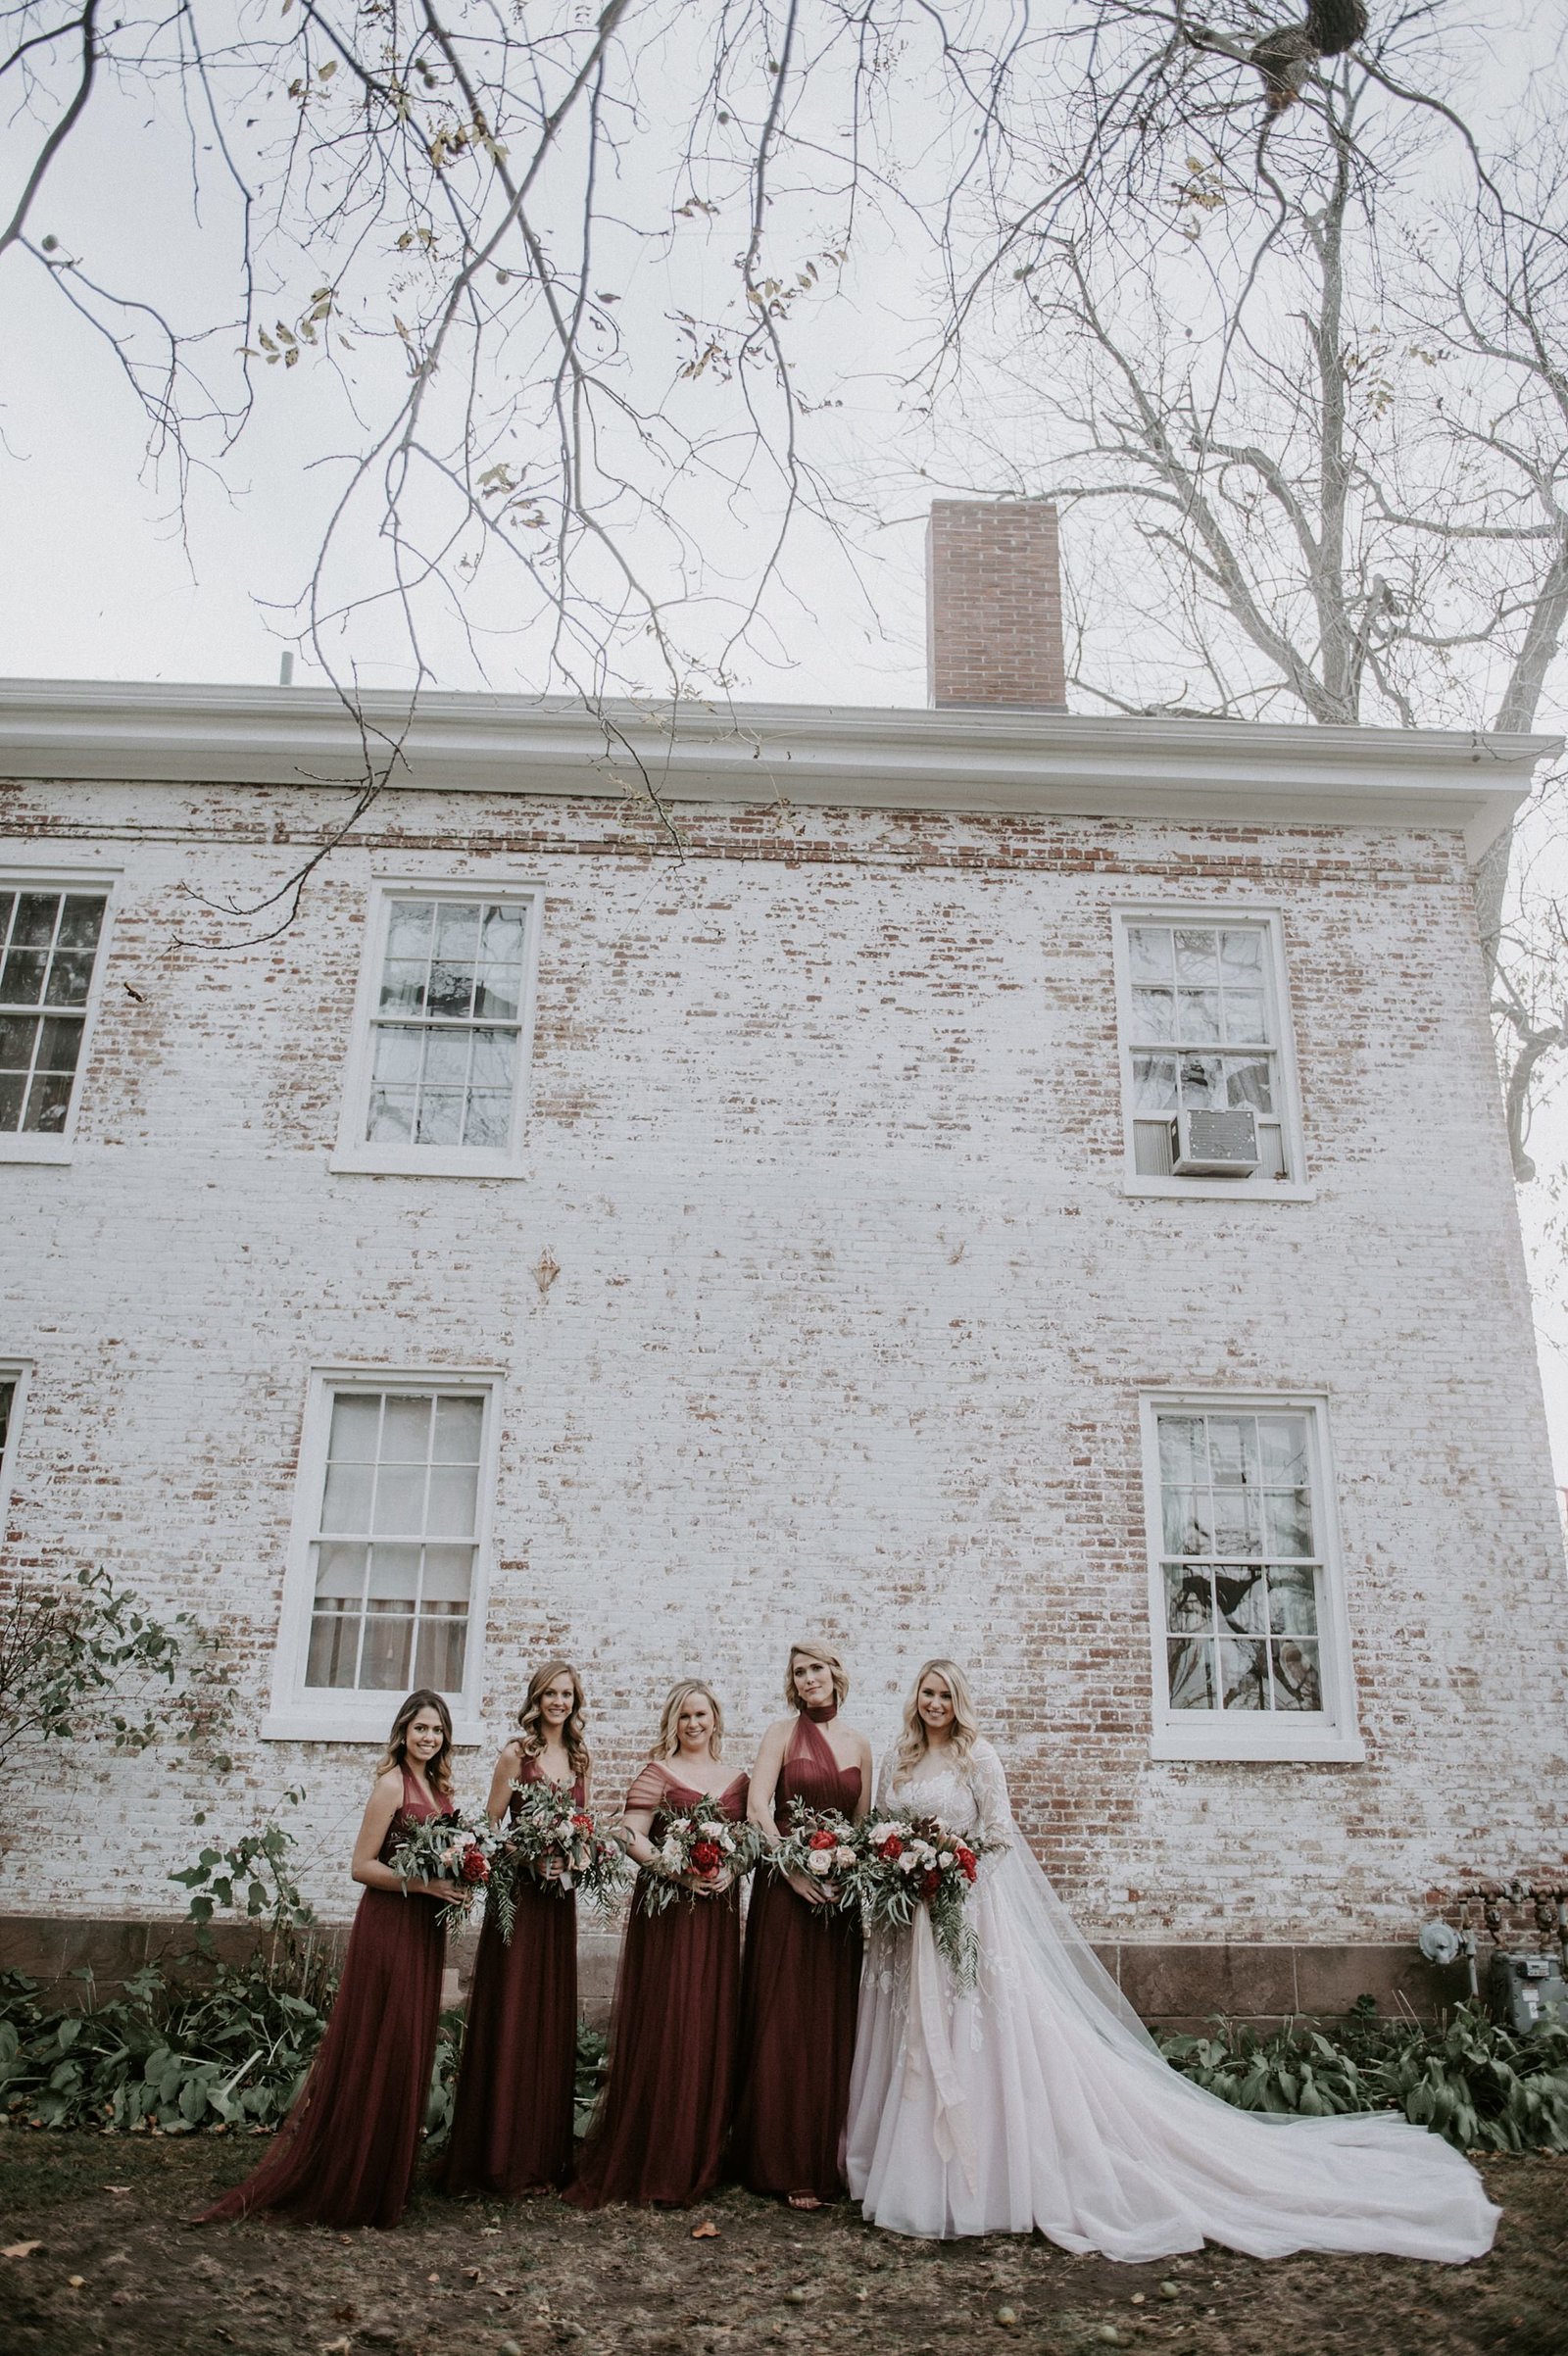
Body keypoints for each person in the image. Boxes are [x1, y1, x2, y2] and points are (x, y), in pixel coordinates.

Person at [844, 1659, 1499, 2261]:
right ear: (916, 1700)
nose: (934, 1704)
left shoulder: (976, 1755)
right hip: (909, 1927)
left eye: (945, 1695)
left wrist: (950, 1872)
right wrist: (903, 1869)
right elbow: (881, 1830)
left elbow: (999, 1834)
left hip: (964, 1916)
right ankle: (906, 2170)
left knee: (971, 2033)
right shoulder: (898, 1760)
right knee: (911, 2033)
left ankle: (978, 2180)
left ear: (959, 1703)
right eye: (926, 1694)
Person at [199, 1690, 456, 2231]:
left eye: (436, 1730)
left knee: (408, 2046)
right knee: (380, 2041)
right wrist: (425, 1884)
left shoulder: (439, 1788)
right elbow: (361, 1866)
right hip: (390, 1925)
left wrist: (460, 1876)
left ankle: (388, 2174)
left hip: (424, 1929)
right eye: (420, 1729)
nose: (428, 1738)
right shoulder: (392, 1785)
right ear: (403, 1731)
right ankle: (353, 2177)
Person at [567, 1680, 748, 2208]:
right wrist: (676, 1869)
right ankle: (657, 2152)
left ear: (715, 1717)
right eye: (684, 1716)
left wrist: (731, 1869)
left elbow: (750, 1843)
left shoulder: (738, 1778)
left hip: (716, 1911)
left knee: (709, 2019)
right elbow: (628, 1833)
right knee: (670, 2018)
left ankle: (699, 2152)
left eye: (701, 1714)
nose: (694, 1724)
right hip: (670, 1910)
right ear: (674, 1722)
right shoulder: (657, 1773)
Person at [440, 1660, 590, 2198]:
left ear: (576, 1701)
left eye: (567, 1694)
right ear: (536, 1699)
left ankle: (542, 2157)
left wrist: (573, 1861)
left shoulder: (578, 1758)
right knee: (513, 2010)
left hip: (559, 1904)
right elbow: (489, 1830)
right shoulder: (515, 1755)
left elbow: (583, 1831)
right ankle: (499, 2155)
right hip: (519, 1902)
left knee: (548, 2015)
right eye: (550, 1694)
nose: (558, 1702)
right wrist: (528, 1861)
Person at [732, 1638, 870, 2206]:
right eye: (799, 1672)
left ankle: (824, 2156)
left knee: (829, 2018)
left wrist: (849, 1873)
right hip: (786, 1891)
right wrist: (790, 1869)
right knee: (783, 2016)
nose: (809, 1678)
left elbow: (862, 1827)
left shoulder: (861, 1742)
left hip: (839, 1901)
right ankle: (779, 2160)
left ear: (835, 1673)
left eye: (816, 1668)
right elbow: (758, 1808)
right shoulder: (781, 1735)